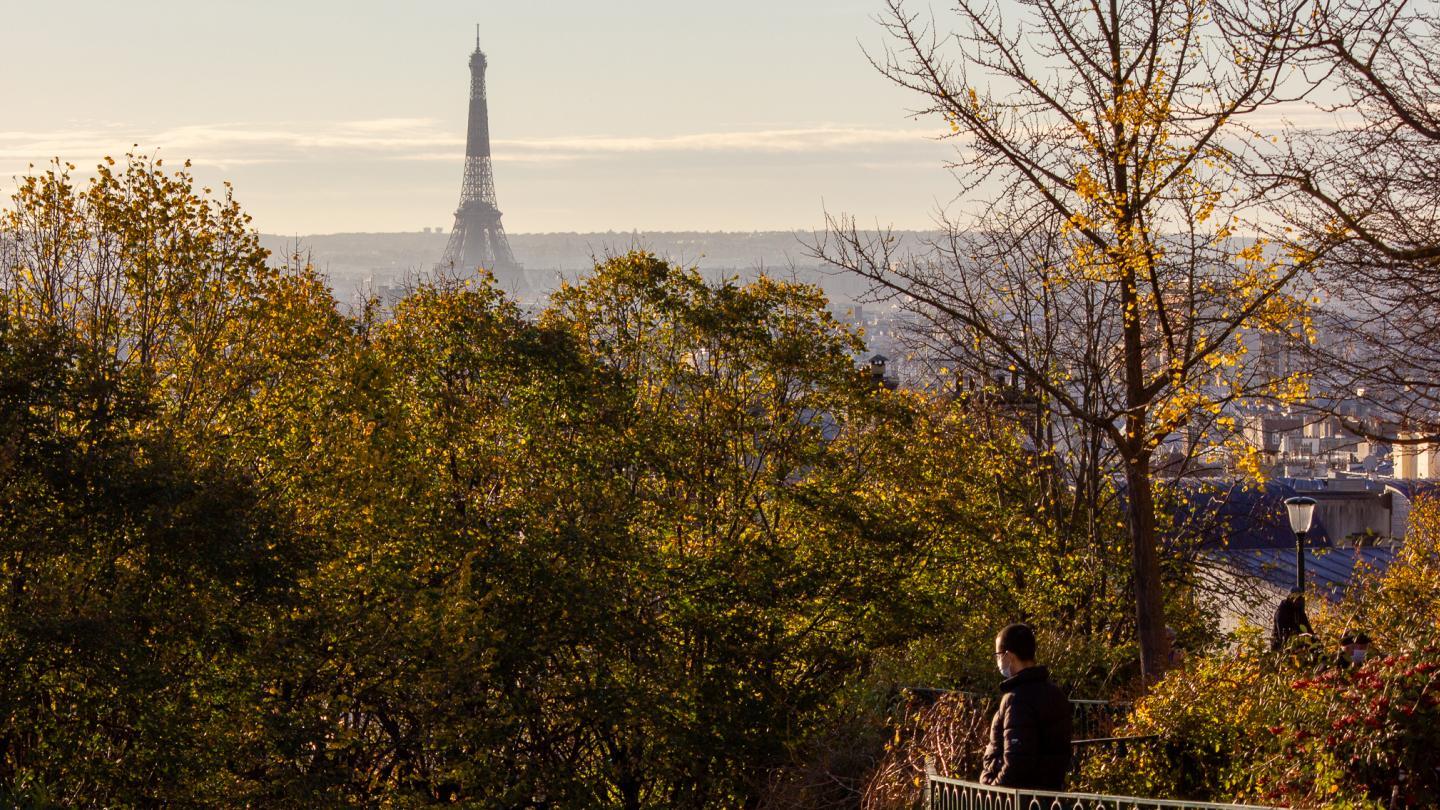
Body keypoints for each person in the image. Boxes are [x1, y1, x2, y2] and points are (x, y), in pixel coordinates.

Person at [980, 623, 1073, 791]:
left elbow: (1016, 762)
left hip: (1020, 798)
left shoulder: (1017, 699)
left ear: (1008, 656)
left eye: (998, 655)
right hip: (1050, 795)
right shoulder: (1055, 693)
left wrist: (994, 791)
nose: (998, 661)